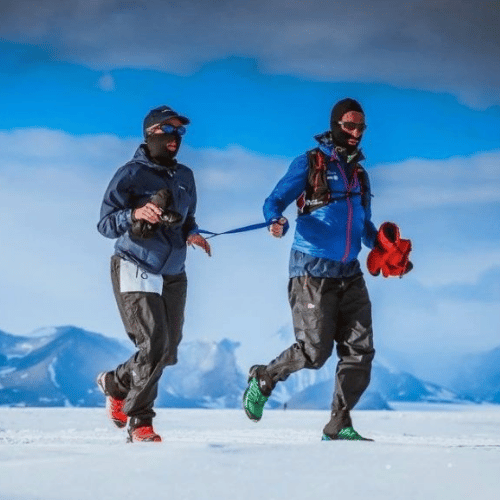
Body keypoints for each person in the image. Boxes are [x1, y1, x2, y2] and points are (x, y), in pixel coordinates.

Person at [243, 98, 385, 441]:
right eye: (349, 126)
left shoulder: (360, 175)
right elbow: (274, 201)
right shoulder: (311, 163)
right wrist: (274, 220)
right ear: (335, 125)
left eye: (360, 127)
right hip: (311, 270)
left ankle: (339, 424)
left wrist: (385, 249)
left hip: (349, 272)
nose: (355, 133)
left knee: (359, 350)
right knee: (313, 352)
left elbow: (364, 226)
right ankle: (264, 377)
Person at [96, 105, 211, 443]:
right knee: (153, 343)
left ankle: (116, 383)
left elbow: (188, 218)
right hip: (135, 264)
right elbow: (104, 223)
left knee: (167, 350)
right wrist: (134, 214)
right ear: (151, 134)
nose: (176, 138)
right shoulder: (130, 174)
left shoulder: (186, 176)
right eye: (170, 130)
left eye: (181, 132)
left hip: (174, 272)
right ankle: (140, 423)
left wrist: (192, 233)